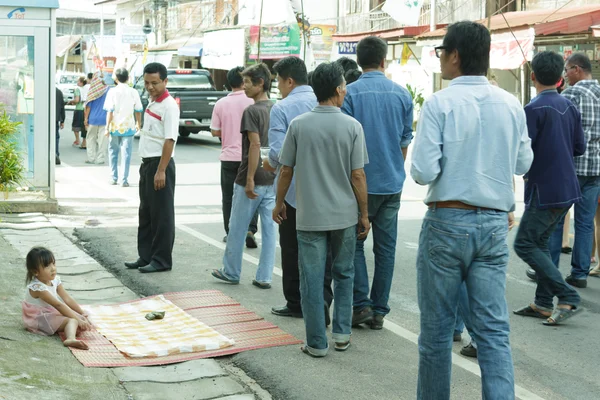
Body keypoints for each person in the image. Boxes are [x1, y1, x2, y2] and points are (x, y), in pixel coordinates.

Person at [410, 21, 533, 399]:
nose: (441, 59)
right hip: (495, 225)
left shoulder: (440, 102)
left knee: (436, 332)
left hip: (447, 220)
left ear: (455, 56)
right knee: (493, 332)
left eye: (441, 52)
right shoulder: (510, 104)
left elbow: (422, 171)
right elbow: (523, 163)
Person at [274, 62, 369, 357]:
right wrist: (364, 214)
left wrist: (279, 203)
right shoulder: (352, 126)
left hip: (309, 216)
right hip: (344, 216)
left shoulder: (299, 124)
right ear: (339, 90)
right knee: (344, 274)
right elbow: (358, 176)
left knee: (311, 280)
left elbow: (286, 169)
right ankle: (341, 334)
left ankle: (316, 343)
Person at [341, 36, 414, 330]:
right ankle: (380, 310)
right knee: (386, 250)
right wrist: (393, 166)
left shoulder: (349, 94)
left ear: (359, 61)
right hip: (392, 184)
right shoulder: (402, 94)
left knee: (356, 244)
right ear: (384, 61)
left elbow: (345, 143)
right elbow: (404, 141)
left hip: (360, 184)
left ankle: (362, 306)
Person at [513, 51, 585, 326]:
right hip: (567, 187)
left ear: (533, 77)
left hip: (545, 188)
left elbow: (523, 153)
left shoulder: (532, 110)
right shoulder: (570, 107)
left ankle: (566, 295)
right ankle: (543, 303)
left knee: (524, 244)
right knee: (540, 243)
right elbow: (579, 147)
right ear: (560, 77)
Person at [264, 56, 334, 323]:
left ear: (289, 81)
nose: (279, 88)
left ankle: (296, 302)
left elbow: (280, 154)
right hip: (327, 189)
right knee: (324, 250)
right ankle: (323, 302)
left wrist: (269, 162)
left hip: (293, 189)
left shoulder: (281, 108)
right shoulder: (327, 101)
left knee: (292, 247)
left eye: (279, 82)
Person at [211, 64, 277, 288]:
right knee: (269, 230)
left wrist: (249, 179)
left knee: (237, 226)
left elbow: (255, 145)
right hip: (272, 175)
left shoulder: (252, 111)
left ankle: (231, 271)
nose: (244, 86)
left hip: (251, 175)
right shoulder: (276, 108)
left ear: (260, 83)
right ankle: (264, 276)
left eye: (248, 82)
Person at [548, 53, 600, 289]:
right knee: (585, 222)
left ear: (577, 69)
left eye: (567, 70)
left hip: (572, 167)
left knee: (557, 220)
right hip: (596, 168)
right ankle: (580, 273)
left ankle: (549, 270)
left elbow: (560, 130)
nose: (564, 76)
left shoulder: (572, 94)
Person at [124, 62, 179, 274]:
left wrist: (161, 170)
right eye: (147, 83)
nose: (150, 87)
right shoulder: (152, 102)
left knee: (162, 215)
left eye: (155, 83)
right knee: (146, 212)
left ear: (165, 81)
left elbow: (169, 140)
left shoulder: (169, 106)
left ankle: (161, 260)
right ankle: (145, 256)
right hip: (148, 164)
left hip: (160, 164)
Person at [210, 66, 259, 246]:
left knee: (229, 196)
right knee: (252, 193)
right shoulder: (253, 102)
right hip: (250, 157)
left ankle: (231, 231)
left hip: (229, 157)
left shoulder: (221, 103)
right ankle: (250, 229)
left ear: (229, 82)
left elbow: (215, 132)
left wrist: (228, 130)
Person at [22, 247, 92, 350]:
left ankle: (71, 326)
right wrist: (77, 318)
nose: (53, 268)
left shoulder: (55, 280)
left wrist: (81, 313)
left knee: (83, 319)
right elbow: (58, 305)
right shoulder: (38, 287)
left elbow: (67, 298)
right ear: (36, 272)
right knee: (72, 320)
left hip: (50, 311)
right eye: (47, 266)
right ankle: (70, 339)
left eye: (53, 264)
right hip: (39, 318)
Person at [104, 68, 143, 187]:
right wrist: (138, 123)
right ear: (128, 78)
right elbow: (138, 110)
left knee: (113, 152)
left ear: (116, 78)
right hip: (128, 127)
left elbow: (109, 112)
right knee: (126, 154)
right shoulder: (133, 92)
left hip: (115, 127)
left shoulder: (112, 92)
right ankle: (124, 180)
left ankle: (113, 177)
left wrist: (106, 127)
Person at [84, 73, 109, 164]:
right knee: (103, 140)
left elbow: (88, 107)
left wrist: (86, 119)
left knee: (91, 138)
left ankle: (91, 158)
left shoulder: (93, 91)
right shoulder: (108, 91)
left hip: (93, 119)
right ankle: (100, 159)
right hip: (105, 119)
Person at [70, 77, 86, 147]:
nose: (77, 83)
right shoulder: (85, 89)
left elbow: (77, 100)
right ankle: (84, 142)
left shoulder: (77, 89)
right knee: (84, 126)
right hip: (85, 109)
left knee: (75, 125)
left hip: (79, 109)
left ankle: (77, 140)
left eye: (78, 81)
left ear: (81, 82)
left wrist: (71, 101)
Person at [55, 88, 65, 165]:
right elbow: (62, 107)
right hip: (56, 119)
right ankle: (56, 154)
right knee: (55, 137)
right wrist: (62, 120)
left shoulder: (44, 90)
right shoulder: (58, 92)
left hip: (44, 119)